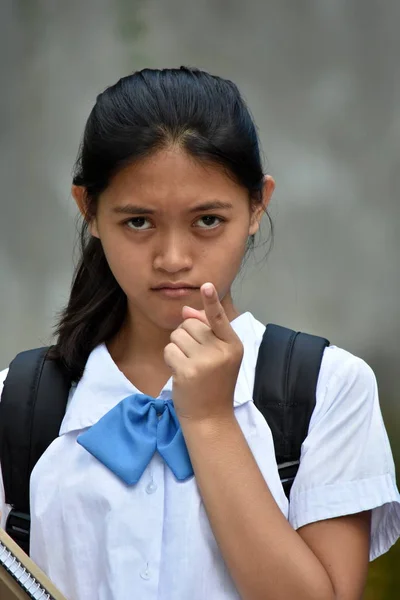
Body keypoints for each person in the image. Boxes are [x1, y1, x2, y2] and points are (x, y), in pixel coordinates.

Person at [0, 66, 399, 600]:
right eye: (137, 222)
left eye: (207, 220)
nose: (173, 259)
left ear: (258, 205)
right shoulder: (20, 400)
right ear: (88, 210)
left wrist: (210, 420)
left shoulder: (328, 388)